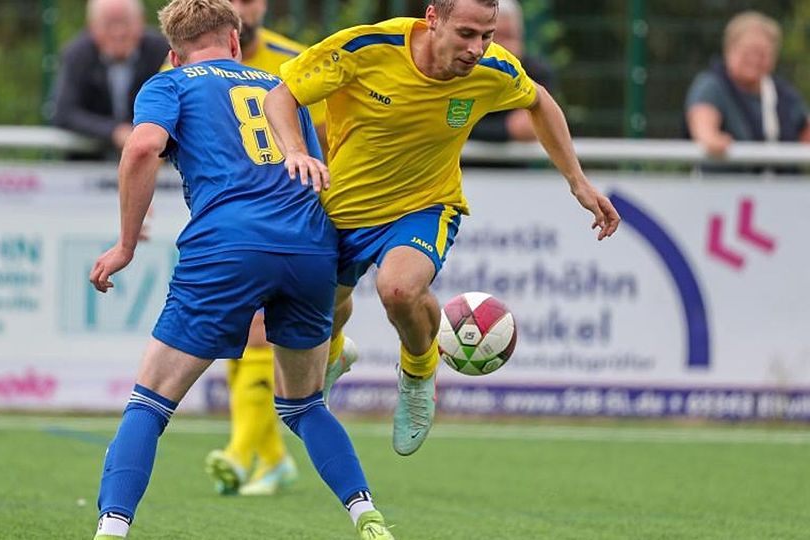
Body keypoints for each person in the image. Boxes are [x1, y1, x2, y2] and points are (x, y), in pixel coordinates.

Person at [88, 1, 394, 539]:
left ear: (172, 51)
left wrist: (125, 245)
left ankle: (111, 530)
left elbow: (142, 148)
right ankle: (365, 513)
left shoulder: (170, 83)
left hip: (228, 245)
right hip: (309, 246)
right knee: (302, 405)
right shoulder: (283, 88)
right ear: (234, 41)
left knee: (150, 401)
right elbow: (313, 169)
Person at [264, 0, 620, 456]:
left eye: (487, 35)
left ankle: (417, 373)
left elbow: (539, 102)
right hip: (342, 209)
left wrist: (577, 181)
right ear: (433, 19)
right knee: (324, 313)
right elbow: (281, 94)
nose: (477, 48)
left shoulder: (493, 68)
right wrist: (295, 149)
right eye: (466, 34)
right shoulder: (366, 48)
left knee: (399, 290)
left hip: (425, 205)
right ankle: (336, 353)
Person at [202, 0, 329, 499]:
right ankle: (272, 459)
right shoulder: (189, 64)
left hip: (290, 221)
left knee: (258, 327)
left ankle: (239, 451)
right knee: (241, 327)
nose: (241, 6)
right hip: (226, 219)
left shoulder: (297, 59)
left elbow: (329, 135)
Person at [685, 10, 810, 169]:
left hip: (779, 189)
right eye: (748, 52)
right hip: (727, 188)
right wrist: (712, 139)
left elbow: (805, 130)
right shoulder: (711, 86)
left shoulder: (783, 93)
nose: (755, 60)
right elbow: (703, 124)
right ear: (729, 49)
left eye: (763, 54)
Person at [52, 0, 170, 160]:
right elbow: (64, 113)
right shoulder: (76, 55)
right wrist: (114, 131)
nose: (118, 32)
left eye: (126, 23)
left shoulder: (162, 51)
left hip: (152, 160)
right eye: (108, 24)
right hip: (89, 164)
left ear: (141, 21)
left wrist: (144, 132)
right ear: (91, 26)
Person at [468, 0, 556, 143]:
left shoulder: (535, 72)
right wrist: (508, 128)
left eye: (510, 36)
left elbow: (531, 127)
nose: (504, 46)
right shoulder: (462, 67)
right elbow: (443, 122)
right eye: (496, 36)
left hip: (513, 164)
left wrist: (467, 124)